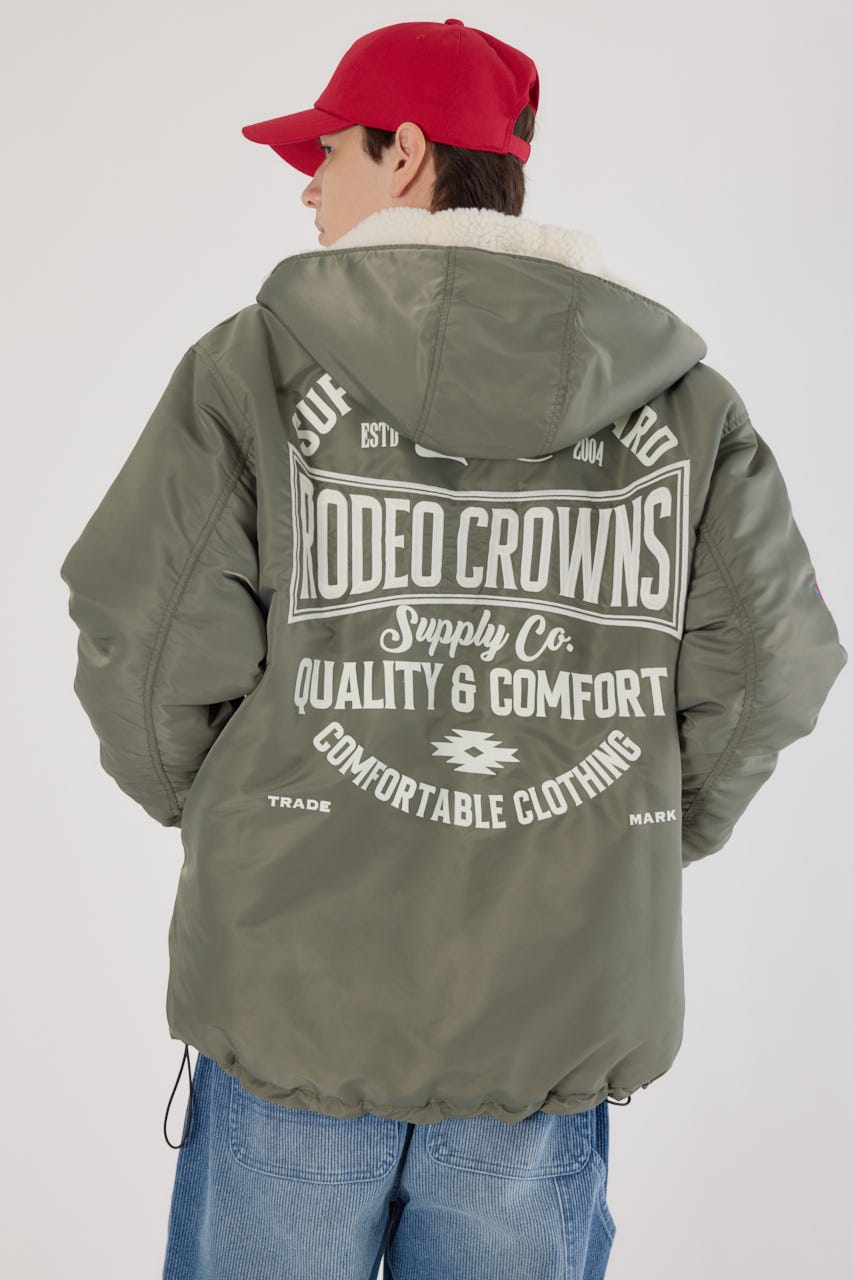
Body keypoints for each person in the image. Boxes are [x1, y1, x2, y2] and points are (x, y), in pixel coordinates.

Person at [58, 18, 847, 1280]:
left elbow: (137, 643)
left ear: (408, 153)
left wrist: (231, 809)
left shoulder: (250, 369)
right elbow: (776, 664)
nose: (307, 185)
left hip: (293, 998)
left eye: (326, 150)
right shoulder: (684, 405)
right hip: (550, 1022)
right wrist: (630, 824)